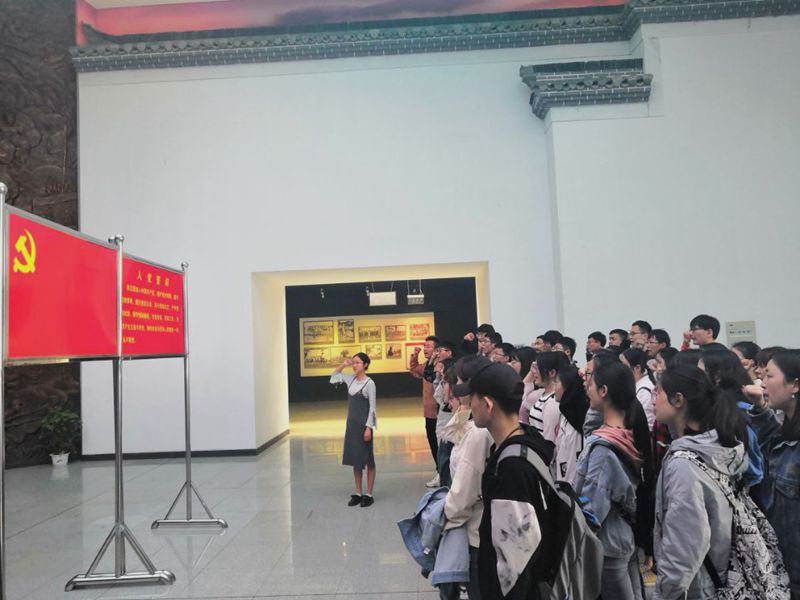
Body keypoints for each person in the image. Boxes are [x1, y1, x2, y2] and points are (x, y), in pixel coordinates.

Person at [459, 361, 560, 599]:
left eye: (473, 399)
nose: (470, 405)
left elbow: (514, 563)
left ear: (487, 404)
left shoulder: (511, 467)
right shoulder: (528, 440)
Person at [652, 364, 748, 599]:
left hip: (697, 585)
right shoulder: (717, 446)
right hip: (720, 574)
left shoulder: (684, 465)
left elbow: (684, 544)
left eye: (658, 391)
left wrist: (665, 592)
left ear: (678, 400)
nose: (653, 398)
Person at [576, 360, 654, 600]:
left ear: (604, 391)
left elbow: (592, 509)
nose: (587, 389)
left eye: (591, 384)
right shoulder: (628, 434)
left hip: (607, 544)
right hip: (623, 535)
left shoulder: (604, 449)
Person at [438, 358, 494, 600]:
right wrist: (462, 410)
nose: (455, 389)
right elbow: (450, 435)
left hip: (475, 531)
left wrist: (442, 517)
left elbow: (464, 493)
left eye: (460, 383)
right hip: (473, 524)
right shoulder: (471, 422)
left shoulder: (479, 433)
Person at [750, 349, 800, 597]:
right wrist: (760, 407)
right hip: (785, 563)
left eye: (769, 376)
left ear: (795, 385)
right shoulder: (786, 429)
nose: (762, 382)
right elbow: (772, 437)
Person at [330, 352, 377, 507]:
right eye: (354, 362)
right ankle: (358, 492)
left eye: (357, 363)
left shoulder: (369, 383)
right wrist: (344, 365)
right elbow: (334, 376)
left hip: (364, 426)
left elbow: (372, 408)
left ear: (365, 365)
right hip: (352, 425)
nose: (354, 365)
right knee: (355, 458)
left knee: (368, 459)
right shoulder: (350, 379)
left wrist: (368, 428)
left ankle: (368, 494)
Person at [410, 335, 442, 487]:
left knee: (441, 444)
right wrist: (415, 355)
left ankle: (443, 472)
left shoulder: (440, 366)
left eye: (428, 346)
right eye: (424, 346)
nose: (425, 349)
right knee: (433, 442)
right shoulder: (425, 365)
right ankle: (440, 470)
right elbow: (414, 369)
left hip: (440, 413)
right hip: (429, 413)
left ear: (437, 350)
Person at [552, 364, 589, 482]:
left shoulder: (578, 423)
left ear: (568, 387)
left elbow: (574, 465)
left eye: (556, 382)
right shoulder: (566, 415)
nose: (554, 387)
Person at [528, 351, 567, 440]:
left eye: (537, 368)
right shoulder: (544, 395)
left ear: (552, 373)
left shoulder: (553, 402)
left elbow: (549, 440)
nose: (534, 372)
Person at [434, 358, 456, 488]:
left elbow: (442, 398)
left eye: (441, 367)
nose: (439, 370)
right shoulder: (443, 380)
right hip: (445, 421)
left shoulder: (449, 380)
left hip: (449, 424)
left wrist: (447, 399)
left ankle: (446, 485)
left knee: (446, 457)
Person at [621, 347, 655, 430]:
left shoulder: (644, 391)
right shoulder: (635, 384)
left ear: (637, 368)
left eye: (624, 366)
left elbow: (647, 425)